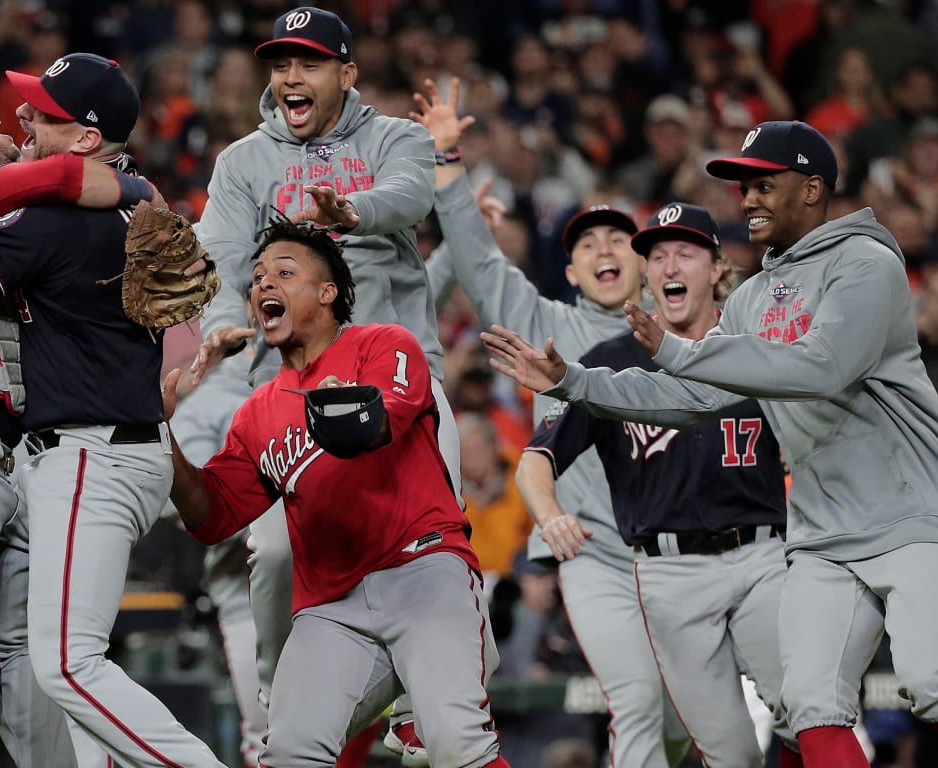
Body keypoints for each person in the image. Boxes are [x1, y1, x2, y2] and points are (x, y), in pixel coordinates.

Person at [481, 121, 938, 768]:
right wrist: (573, 380)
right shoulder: (750, 299)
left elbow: (823, 365)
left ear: (812, 189)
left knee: (929, 683)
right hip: (819, 536)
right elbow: (692, 399)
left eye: (763, 184)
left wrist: (676, 350)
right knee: (809, 708)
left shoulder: (867, 262)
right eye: (742, 187)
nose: (745, 198)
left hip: (911, 516)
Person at [0, 52, 225, 767]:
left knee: (69, 666)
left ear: (89, 138)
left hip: (88, 456)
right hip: (118, 450)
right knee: (44, 674)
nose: (26, 117)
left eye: (45, 112)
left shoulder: (50, 223)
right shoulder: (135, 207)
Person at [185, 8, 447, 757]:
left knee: (436, 545)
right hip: (293, 392)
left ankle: (423, 699)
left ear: (347, 74)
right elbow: (217, 262)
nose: (290, 77)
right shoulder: (243, 163)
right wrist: (212, 326)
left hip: (401, 389)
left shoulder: (397, 137)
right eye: (280, 64)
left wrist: (352, 211)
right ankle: (277, 707)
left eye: (309, 63)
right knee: (269, 554)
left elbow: (411, 195)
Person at [163, 218, 507, 768]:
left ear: (327, 292)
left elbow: (380, 422)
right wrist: (162, 438)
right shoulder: (257, 412)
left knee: (458, 744)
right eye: (257, 277)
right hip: (331, 606)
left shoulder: (383, 344)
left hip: (422, 572)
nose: (263, 284)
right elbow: (213, 516)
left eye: (284, 271)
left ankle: (436, 689)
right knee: (290, 753)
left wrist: (342, 407)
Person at [414, 79, 688, 768]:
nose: (603, 249)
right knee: (635, 703)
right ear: (570, 269)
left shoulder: (685, 342)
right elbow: (478, 259)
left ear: (648, 264)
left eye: (618, 239)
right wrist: (449, 162)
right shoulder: (545, 324)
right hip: (593, 553)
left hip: (684, 553)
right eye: (588, 242)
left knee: (691, 721)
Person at [519, 203, 797, 766]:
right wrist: (550, 517)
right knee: (732, 752)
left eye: (686, 253)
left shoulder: (759, 344)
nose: (670, 265)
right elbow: (535, 459)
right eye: (658, 255)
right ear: (646, 275)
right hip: (669, 573)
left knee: (807, 710)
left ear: (717, 268)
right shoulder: (609, 363)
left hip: (764, 557)